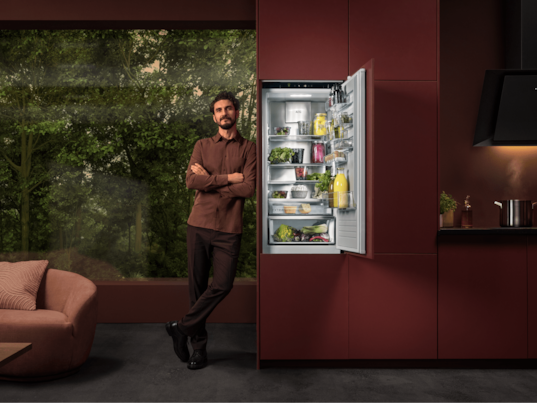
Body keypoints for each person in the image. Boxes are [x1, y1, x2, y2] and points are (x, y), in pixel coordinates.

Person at [165, 91, 256, 370]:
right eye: (218, 110)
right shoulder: (202, 145)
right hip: (199, 225)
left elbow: (249, 188)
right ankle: (199, 349)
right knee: (197, 287)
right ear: (214, 116)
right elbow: (192, 181)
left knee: (223, 284)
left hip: (230, 228)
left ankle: (181, 328)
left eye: (228, 108)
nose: (223, 113)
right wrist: (228, 179)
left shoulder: (249, 148)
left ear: (236, 113)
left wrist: (210, 181)